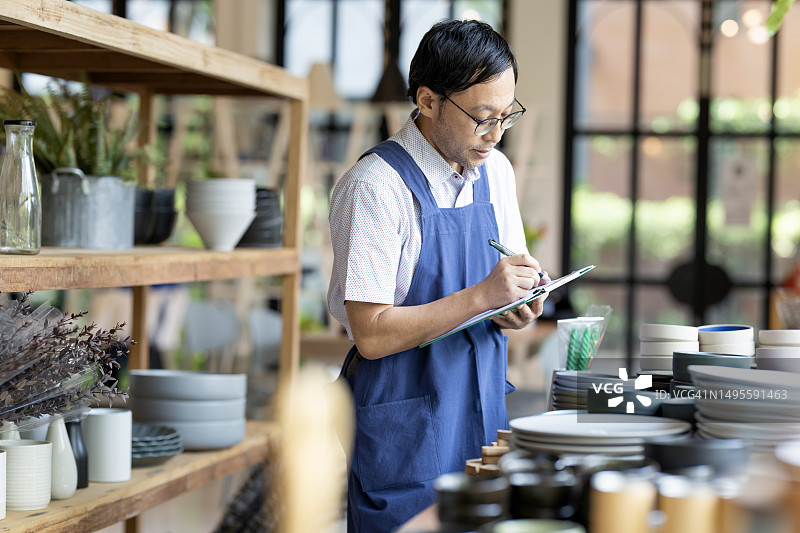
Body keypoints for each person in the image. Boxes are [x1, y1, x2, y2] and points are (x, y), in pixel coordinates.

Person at [327, 19, 548, 533]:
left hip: (481, 410)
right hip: (405, 433)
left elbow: (504, 286)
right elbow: (372, 333)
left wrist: (518, 303)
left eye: (506, 115)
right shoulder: (376, 188)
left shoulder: (497, 172)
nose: (494, 134)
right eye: (482, 117)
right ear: (427, 101)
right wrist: (481, 296)